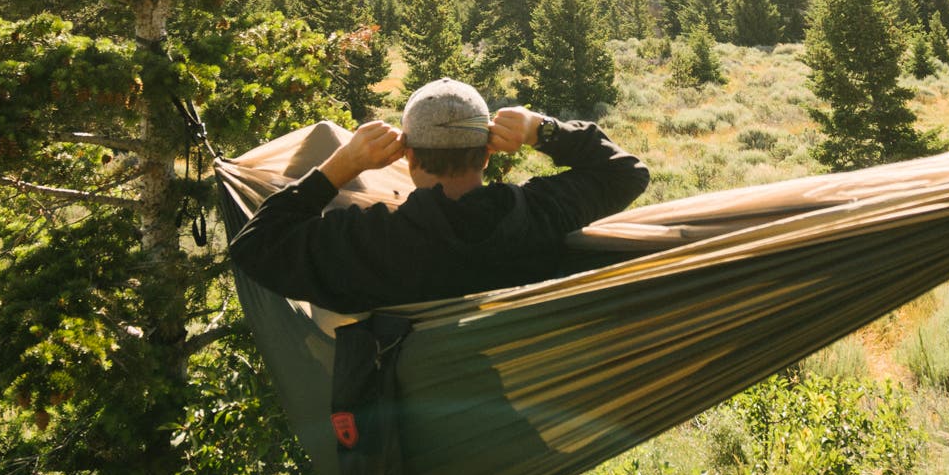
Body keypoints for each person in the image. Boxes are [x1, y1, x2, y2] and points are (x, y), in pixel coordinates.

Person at [229, 78, 650, 313]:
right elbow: (625, 172)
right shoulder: (538, 216)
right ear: (487, 154)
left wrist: (344, 165)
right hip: (525, 413)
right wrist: (540, 129)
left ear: (407, 156)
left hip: (416, 435)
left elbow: (255, 246)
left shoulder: (374, 244)